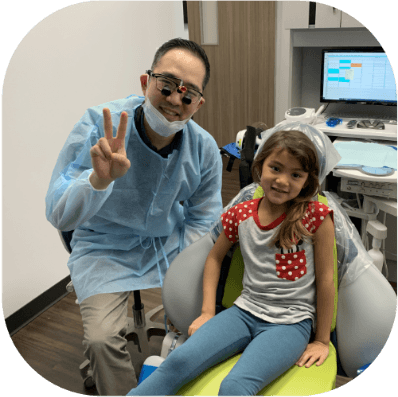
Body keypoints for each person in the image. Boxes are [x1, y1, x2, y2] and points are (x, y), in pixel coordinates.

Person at [45, 38, 223, 396]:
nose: (175, 100)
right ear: (146, 82)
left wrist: (184, 278)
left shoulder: (204, 149)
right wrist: (97, 181)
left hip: (167, 245)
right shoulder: (99, 124)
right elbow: (58, 212)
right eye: (167, 85)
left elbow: (204, 220)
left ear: (198, 104)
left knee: (202, 321)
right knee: (99, 340)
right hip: (103, 246)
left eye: (187, 95)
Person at [128, 129, 335, 396]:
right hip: (243, 312)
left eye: (296, 175)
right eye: (276, 168)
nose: (283, 180)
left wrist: (321, 340)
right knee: (177, 361)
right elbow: (214, 258)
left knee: (235, 387)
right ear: (260, 167)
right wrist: (206, 312)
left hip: (290, 324)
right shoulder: (241, 213)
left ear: (307, 181)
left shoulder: (316, 216)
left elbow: (327, 280)